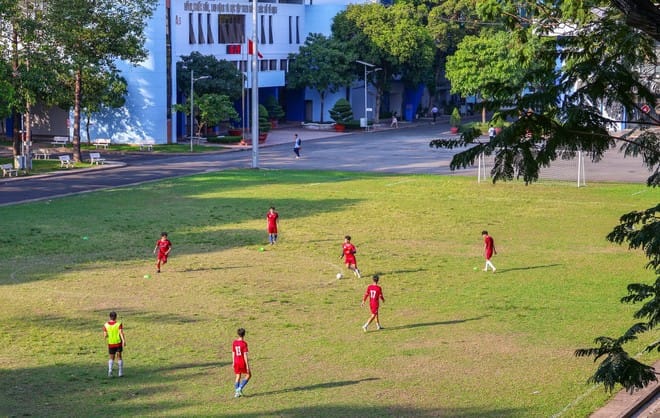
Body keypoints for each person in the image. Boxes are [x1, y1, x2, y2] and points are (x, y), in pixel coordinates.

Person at [103, 311, 126, 377]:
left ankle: (110, 371)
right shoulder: (119, 324)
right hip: (118, 342)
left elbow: (105, 335)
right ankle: (120, 372)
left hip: (111, 343)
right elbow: (121, 333)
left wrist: (107, 336)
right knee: (119, 357)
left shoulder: (106, 325)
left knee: (111, 357)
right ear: (116, 317)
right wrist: (124, 341)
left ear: (109, 317)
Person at [232, 328, 251, 398]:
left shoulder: (234, 342)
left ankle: (237, 393)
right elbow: (245, 355)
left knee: (238, 376)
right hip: (242, 361)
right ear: (244, 334)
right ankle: (239, 389)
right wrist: (247, 366)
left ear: (238, 334)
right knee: (249, 375)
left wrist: (233, 362)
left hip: (236, 361)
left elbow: (233, 352)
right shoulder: (244, 344)